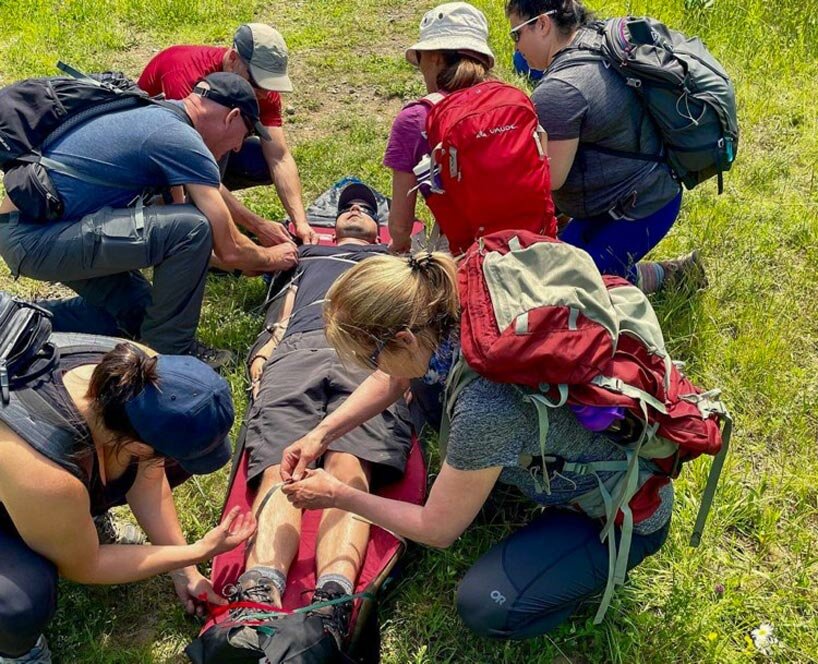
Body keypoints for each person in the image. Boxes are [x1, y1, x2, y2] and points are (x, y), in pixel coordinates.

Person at [276, 251, 671, 639]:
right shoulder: (448, 297)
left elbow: (437, 529)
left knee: (484, 605)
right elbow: (395, 379)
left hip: (621, 515)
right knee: (430, 395)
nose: (374, 369)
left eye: (374, 358)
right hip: (558, 449)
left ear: (404, 338)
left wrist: (338, 495)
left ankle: (573, 571)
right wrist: (320, 435)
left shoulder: (485, 407)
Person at [0, 72, 298, 367]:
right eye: (244, 135)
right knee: (192, 227)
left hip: (33, 230)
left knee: (135, 318)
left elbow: (194, 249)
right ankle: (171, 354)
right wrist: (272, 258)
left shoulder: (157, 113)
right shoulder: (180, 138)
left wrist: (250, 257)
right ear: (231, 116)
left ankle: (18, 319)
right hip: (37, 239)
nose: (236, 147)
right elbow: (226, 247)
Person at [226, 183, 412, 642]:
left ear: (379, 231)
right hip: (297, 351)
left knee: (350, 464)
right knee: (280, 465)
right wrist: (265, 352)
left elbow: (413, 321)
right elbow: (282, 311)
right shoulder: (306, 257)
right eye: (347, 206)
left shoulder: (394, 263)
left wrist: (406, 375)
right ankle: (258, 595)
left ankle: (332, 604)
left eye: (366, 209)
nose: (354, 209)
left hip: (370, 357)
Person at [0, 338, 256, 663]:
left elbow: (146, 479)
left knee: (169, 460)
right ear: (137, 447)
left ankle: (72, 521)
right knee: (21, 600)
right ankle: (16, 651)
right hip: (25, 478)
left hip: (35, 485)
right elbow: (85, 565)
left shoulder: (145, 373)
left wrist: (186, 571)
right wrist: (196, 551)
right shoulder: (47, 475)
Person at [506, 0, 705, 293]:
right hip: (641, 192)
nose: (515, 48)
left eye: (516, 35)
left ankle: (671, 275)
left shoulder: (559, 91)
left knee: (562, 286)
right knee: (552, 268)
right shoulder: (594, 38)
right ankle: (647, 272)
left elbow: (548, 180)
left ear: (543, 25)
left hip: (639, 208)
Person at [138, 23, 317, 246]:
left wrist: (300, 222)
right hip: (157, 158)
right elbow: (193, 166)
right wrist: (256, 225)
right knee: (192, 186)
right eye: (256, 83)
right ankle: (169, 215)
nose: (261, 93)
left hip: (200, 152)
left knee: (259, 161)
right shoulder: (184, 72)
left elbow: (279, 157)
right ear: (232, 58)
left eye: (268, 86)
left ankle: (206, 210)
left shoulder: (262, 90)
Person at [384, 2, 495, 253]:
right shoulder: (512, 101)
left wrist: (395, 251)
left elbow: (401, 228)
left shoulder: (416, 118)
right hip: (526, 242)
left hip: (467, 254)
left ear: (433, 57)